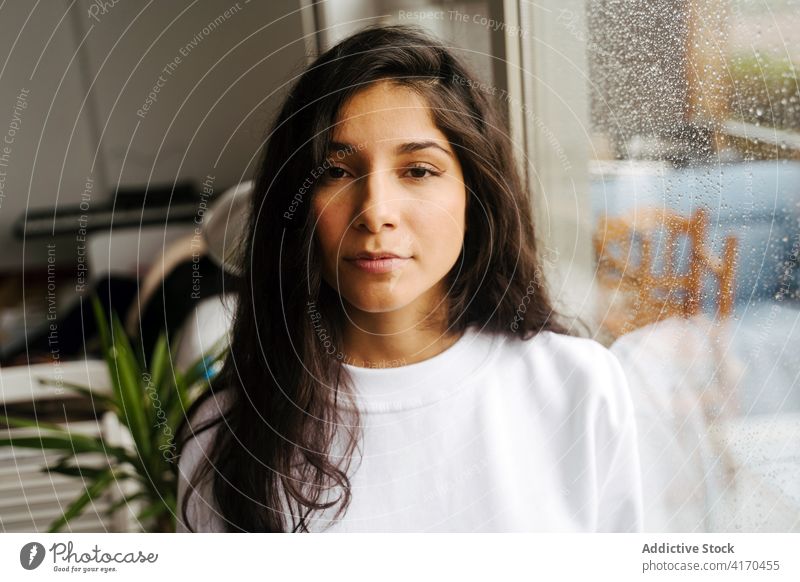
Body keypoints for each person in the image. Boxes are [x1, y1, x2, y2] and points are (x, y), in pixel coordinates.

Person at [175, 24, 644, 533]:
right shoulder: (227, 441)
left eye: (418, 170)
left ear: (475, 196)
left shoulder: (579, 387)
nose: (376, 212)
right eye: (335, 171)